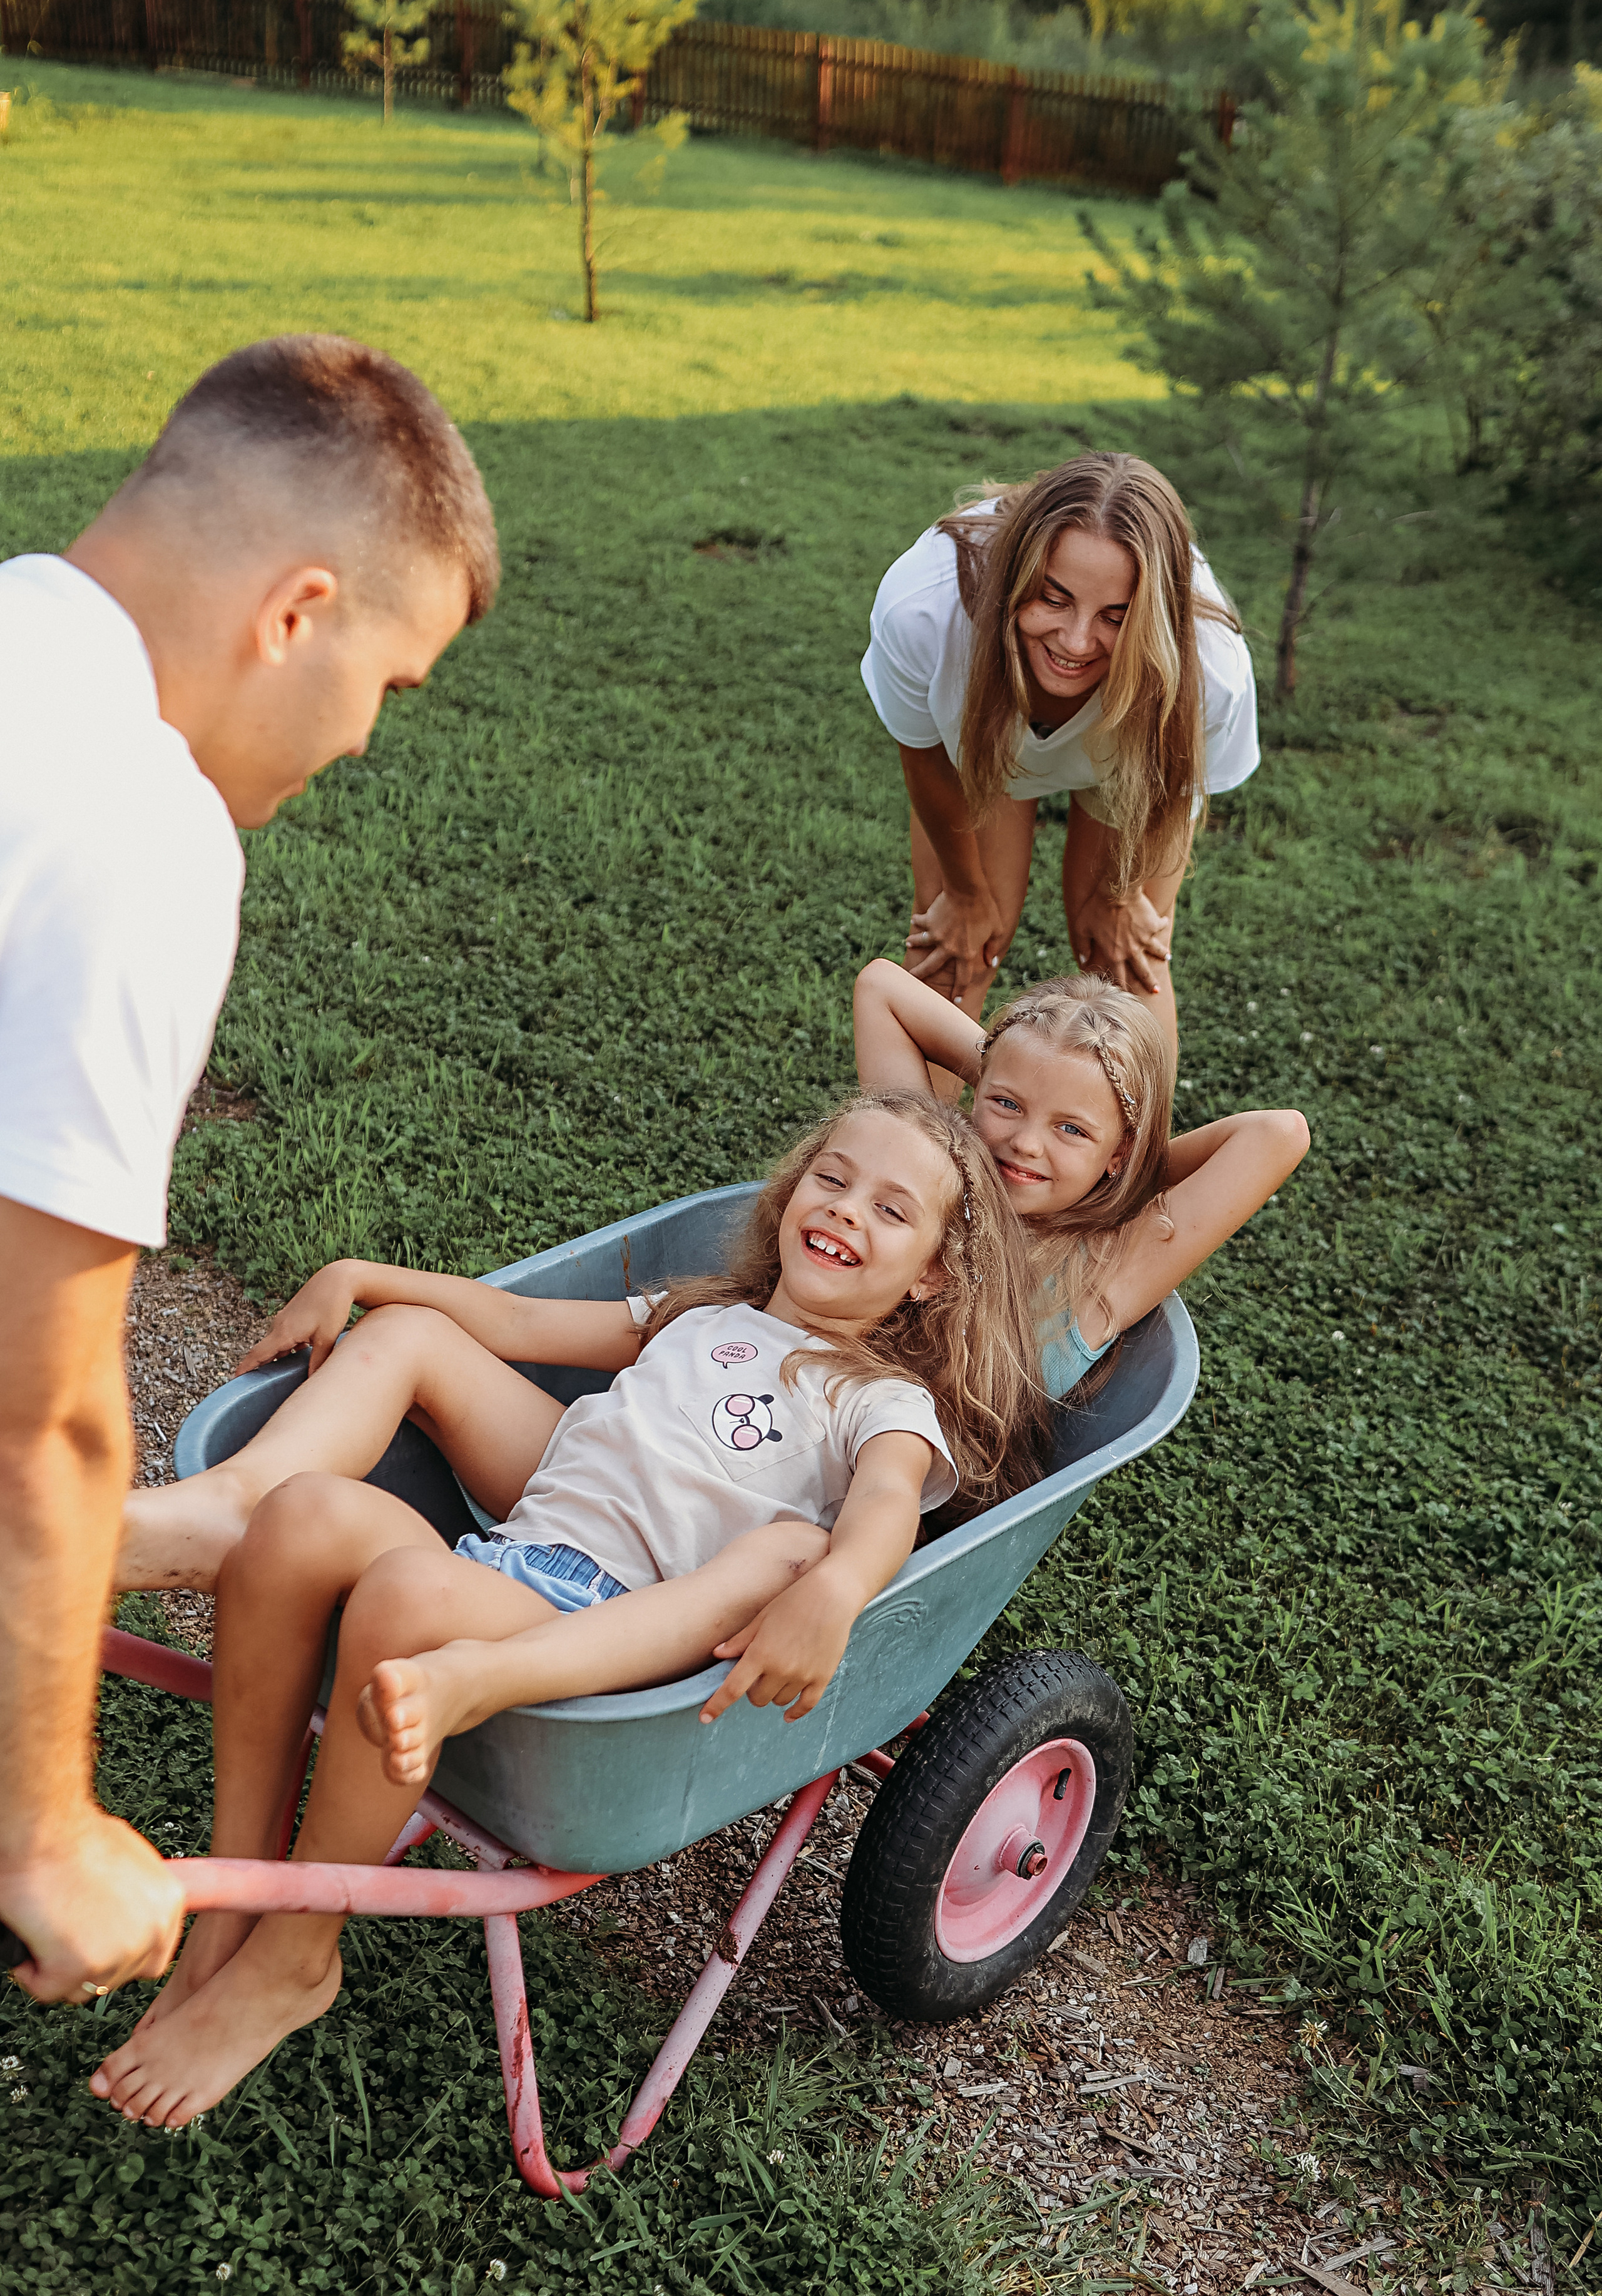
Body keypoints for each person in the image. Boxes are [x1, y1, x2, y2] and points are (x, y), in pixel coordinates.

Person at [89, 1092, 1050, 2130]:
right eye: (834, 1177)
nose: (848, 1211)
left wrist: (832, 1588)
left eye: (892, 1211)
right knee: (309, 1504)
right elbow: (507, 1322)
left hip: (612, 1614)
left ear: (933, 1276)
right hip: (535, 1527)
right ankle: (238, 1878)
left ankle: (294, 1955)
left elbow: (885, 1509)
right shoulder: (703, 1314)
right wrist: (363, 1279)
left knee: (766, 1552)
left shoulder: (880, 1400)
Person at [0, 337, 499, 2020]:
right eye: (389, 686)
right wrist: (48, 1835)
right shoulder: (137, 829)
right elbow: (42, 1419)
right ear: (295, 611)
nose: (361, 743)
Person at [860, 450, 1260, 1069]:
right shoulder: (923, 611)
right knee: (957, 955)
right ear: (1017, 578)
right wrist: (965, 895)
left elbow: (1173, 793)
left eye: (1115, 617)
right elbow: (928, 760)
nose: (1075, 641)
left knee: (1125, 966)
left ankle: (1127, 1165)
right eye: (1052, 598)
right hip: (982, 748)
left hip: (1130, 755)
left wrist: (1125, 897)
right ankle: (916, 1161)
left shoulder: (1211, 667)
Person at [854, 957, 1309, 1393]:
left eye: (1071, 1129)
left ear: (1120, 1150)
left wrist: (1128, 1172)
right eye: (1006, 1104)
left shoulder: (1098, 1273)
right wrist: (1010, 1065)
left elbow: (1278, 1134)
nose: (1027, 1144)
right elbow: (881, 988)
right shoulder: (930, 1174)